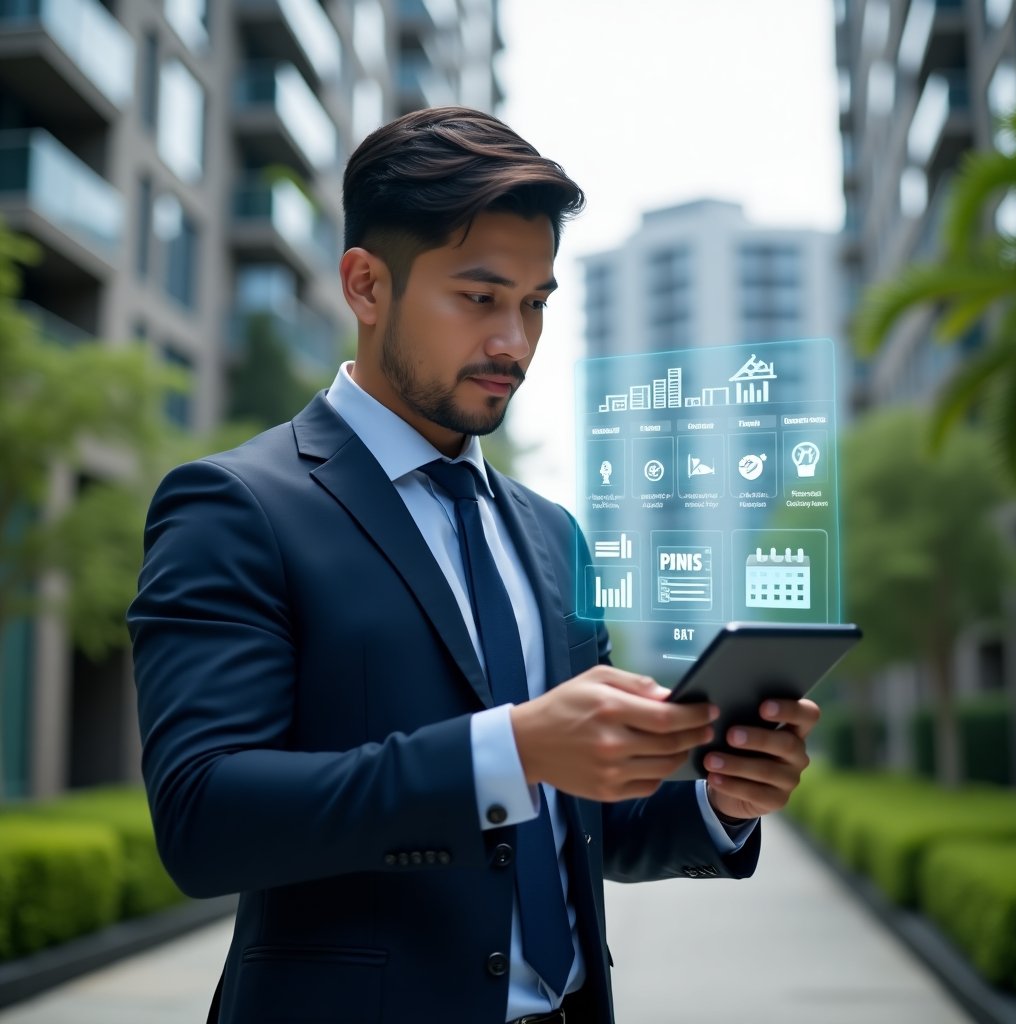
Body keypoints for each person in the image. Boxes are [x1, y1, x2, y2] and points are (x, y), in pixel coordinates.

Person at [128, 107, 820, 1024]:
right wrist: (513, 747)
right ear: (366, 286)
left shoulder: (551, 532)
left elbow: (585, 822)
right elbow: (204, 819)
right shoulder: (236, 506)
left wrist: (722, 801)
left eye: (535, 303)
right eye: (480, 297)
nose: (515, 344)